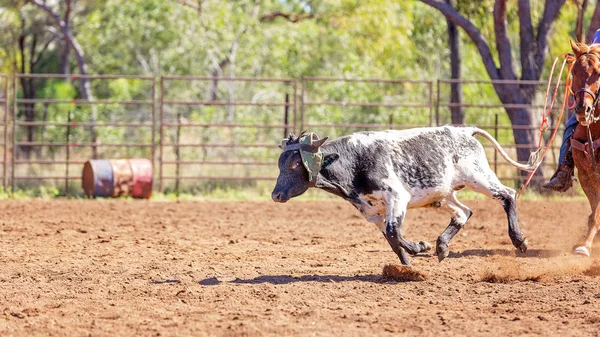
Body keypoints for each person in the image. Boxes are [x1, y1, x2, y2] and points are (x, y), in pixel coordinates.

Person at [543, 29, 600, 192]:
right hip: (596, 95)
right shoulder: (598, 33)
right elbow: (592, 56)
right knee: (571, 125)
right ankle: (564, 171)